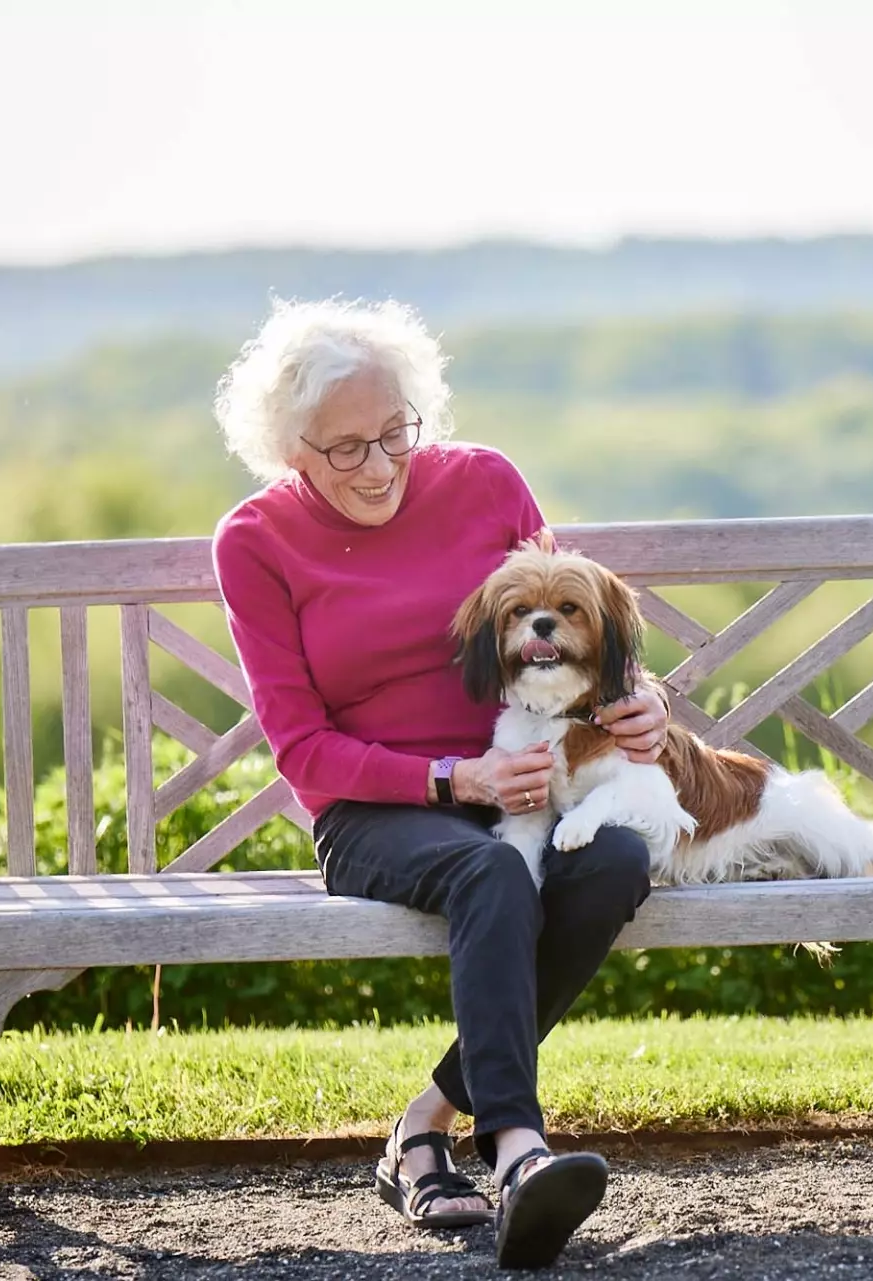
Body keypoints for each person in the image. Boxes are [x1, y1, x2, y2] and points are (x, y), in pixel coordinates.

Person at [210, 297, 671, 1269]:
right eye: (345, 450)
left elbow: (578, 620)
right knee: (491, 875)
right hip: (382, 810)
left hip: (534, 779)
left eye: (394, 434)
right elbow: (301, 747)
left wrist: (643, 705)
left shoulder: (486, 483)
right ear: (290, 448)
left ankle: (423, 1125)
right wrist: (452, 779)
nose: (378, 467)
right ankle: (515, 1152)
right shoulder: (254, 542)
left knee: (620, 857)